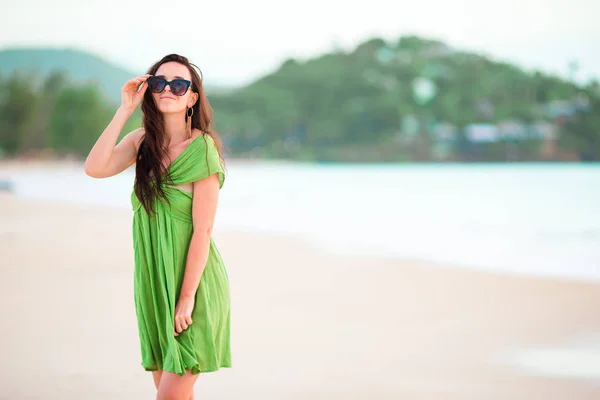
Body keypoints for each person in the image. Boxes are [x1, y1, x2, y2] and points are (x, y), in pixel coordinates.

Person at [84, 54, 231, 400]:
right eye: (158, 82)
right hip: (153, 283)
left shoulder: (202, 148)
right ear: (149, 90)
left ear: (192, 98)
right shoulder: (141, 143)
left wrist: (186, 299)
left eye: (179, 84)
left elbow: (203, 231)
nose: (168, 89)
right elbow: (95, 167)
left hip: (193, 288)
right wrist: (124, 109)